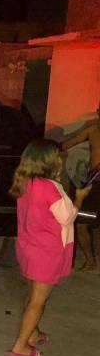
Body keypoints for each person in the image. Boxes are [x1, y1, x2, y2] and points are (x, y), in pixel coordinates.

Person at [8, 139, 92, 356]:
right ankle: (21, 345)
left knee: (32, 294)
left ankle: (33, 334)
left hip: (28, 247)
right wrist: (79, 199)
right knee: (38, 300)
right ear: (50, 161)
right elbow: (67, 217)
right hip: (46, 252)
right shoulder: (51, 188)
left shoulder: (26, 180)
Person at [59, 108, 100, 270]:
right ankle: (90, 261)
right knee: (81, 222)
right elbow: (65, 145)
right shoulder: (93, 130)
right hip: (93, 183)